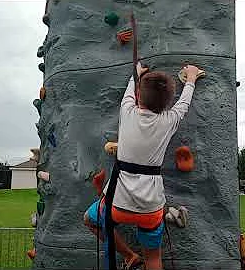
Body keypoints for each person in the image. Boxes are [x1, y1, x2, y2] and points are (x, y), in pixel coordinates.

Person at [84, 62, 202, 270]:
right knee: (154, 258)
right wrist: (191, 78)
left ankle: (129, 255)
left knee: (90, 220)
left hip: (115, 204)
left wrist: (136, 74)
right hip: (150, 207)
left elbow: (130, 91)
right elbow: (183, 105)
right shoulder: (169, 120)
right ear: (166, 104)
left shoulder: (127, 111)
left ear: (139, 96)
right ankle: (135, 258)